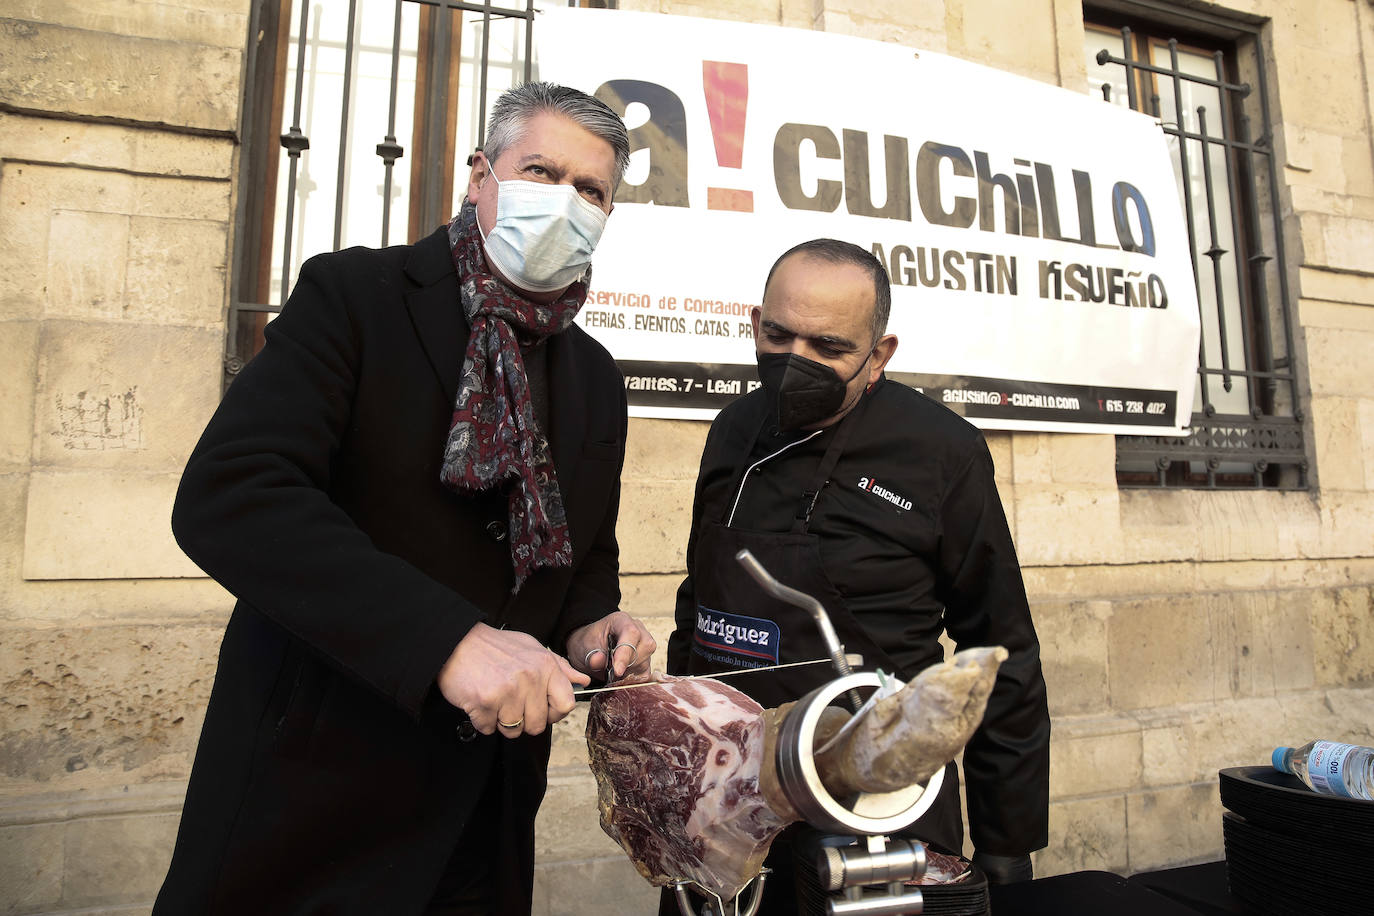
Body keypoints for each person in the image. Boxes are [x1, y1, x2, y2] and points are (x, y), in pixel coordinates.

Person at [154, 82, 656, 915]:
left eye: (590, 190)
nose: (564, 202)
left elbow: (581, 559)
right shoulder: (356, 297)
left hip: (484, 816)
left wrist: (594, 626)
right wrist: (445, 641)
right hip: (316, 794)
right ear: (478, 177)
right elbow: (234, 494)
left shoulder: (596, 375)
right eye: (541, 170)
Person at [663, 239, 1050, 914]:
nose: (796, 362)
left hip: (876, 816)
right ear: (756, 324)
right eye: (779, 336)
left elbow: (1001, 651)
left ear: (879, 355)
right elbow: (699, 602)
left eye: (828, 347)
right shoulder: (730, 429)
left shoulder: (941, 452)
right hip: (727, 807)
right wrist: (673, 762)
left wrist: (1006, 846)